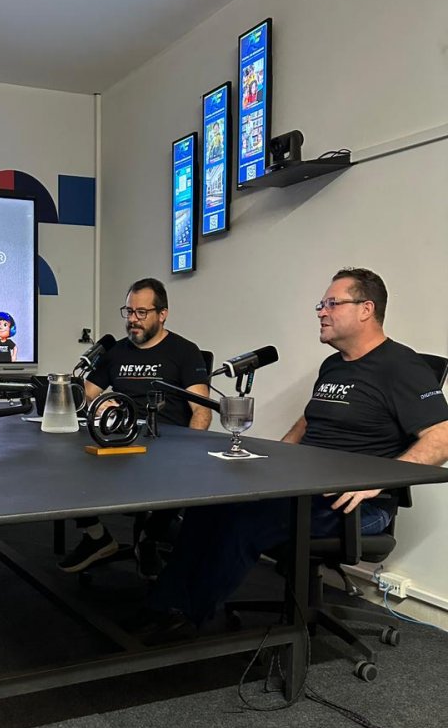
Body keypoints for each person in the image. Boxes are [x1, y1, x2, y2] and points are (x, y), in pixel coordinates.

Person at [140, 268, 448, 643]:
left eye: (332, 304)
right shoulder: (334, 365)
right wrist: (274, 462)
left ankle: (187, 621)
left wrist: (380, 481)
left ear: (366, 309)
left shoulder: (402, 366)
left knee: (245, 520)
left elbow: (442, 436)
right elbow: (308, 421)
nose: (321, 311)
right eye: (321, 304)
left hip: (354, 505)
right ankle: (164, 605)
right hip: (307, 488)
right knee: (211, 503)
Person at [58, 277, 211, 576]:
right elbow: (85, 395)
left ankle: (149, 539)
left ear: (162, 314)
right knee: (64, 460)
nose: (133, 320)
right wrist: (97, 404)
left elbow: (201, 410)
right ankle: (97, 537)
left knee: (174, 471)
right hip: (119, 441)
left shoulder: (184, 351)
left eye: (142, 312)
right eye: (129, 312)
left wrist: (191, 455)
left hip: (166, 444)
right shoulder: (116, 352)